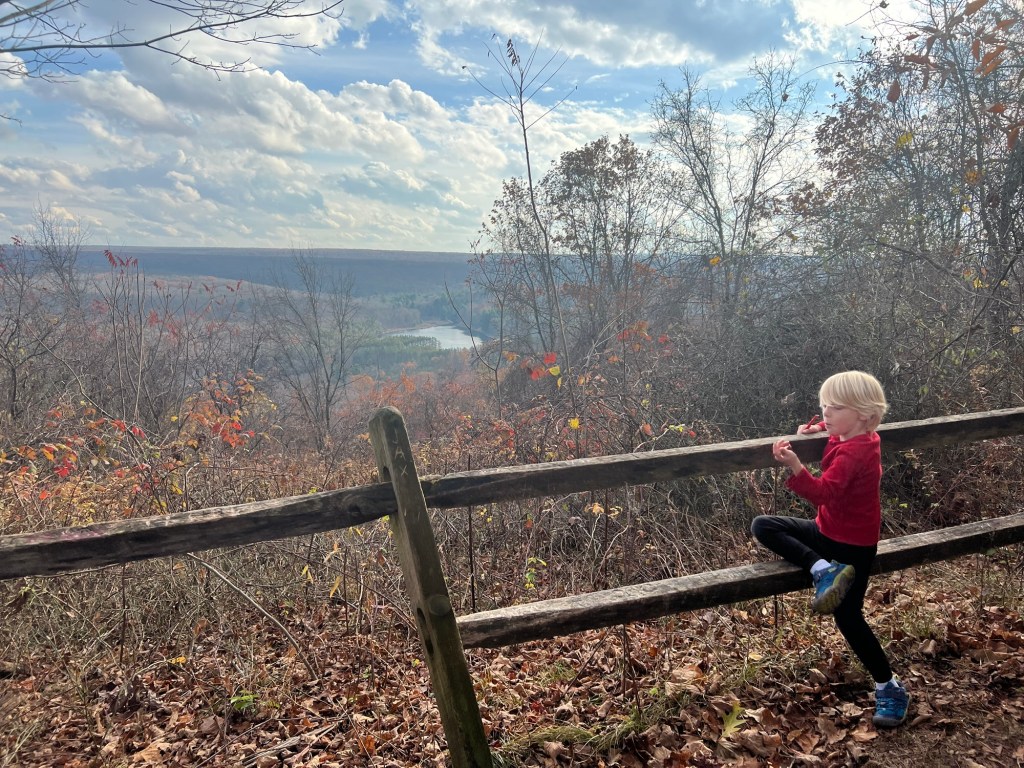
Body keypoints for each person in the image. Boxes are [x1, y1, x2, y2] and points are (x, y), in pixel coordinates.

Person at [751, 371, 909, 728]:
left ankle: (889, 687)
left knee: (848, 618)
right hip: (827, 533)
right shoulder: (856, 433)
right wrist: (816, 430)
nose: (826, 412)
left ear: (864, 414)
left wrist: (795, 464)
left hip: (853, 546)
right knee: (764, 525)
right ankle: (822, 569)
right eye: (824, 406)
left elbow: (825, 493)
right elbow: (837, 431)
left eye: (835, 407)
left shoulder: (858, 451)